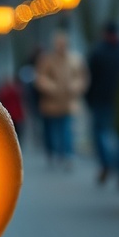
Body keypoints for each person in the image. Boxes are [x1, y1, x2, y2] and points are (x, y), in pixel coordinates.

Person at [85, 21, 119, 187]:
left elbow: (89, 79)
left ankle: (107, 163)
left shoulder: (97, 52)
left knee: (101, 135)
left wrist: (88, 99)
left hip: (101, 100)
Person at [34, 30, 88, 167]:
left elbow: (81, 77)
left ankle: (67, 154)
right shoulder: (47, 59)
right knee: (53, 130)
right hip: (51, 104)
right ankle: (55, 152)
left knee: (66, 129)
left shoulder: (75, 59)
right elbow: (41, 78)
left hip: (68, 102)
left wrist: (74, 87)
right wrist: (51, 87)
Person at [0, 75, 26, 142]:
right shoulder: (17, 89)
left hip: (11, 114)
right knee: (16, 131)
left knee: (13, 131)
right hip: (14, 114)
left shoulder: (5, 90)